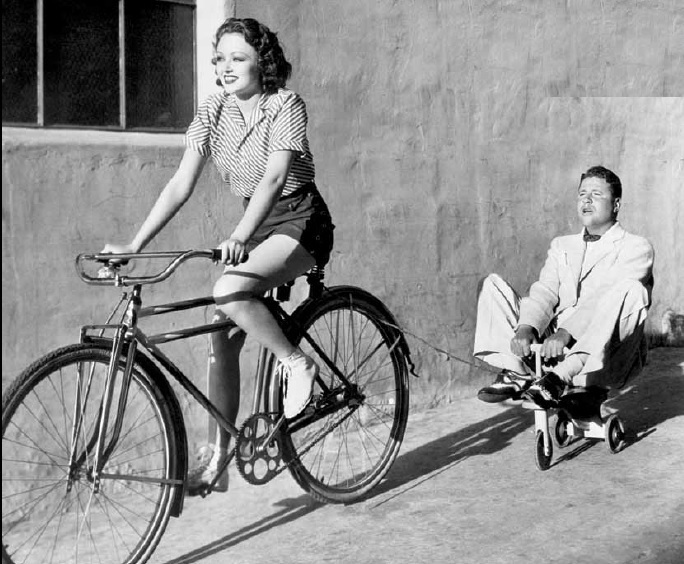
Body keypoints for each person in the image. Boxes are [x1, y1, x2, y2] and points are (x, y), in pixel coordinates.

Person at [102, 17, 334, 495]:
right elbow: (180, 185)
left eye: (238, 58)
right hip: (256, 223)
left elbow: (274, 179)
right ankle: (218, 457)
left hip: (300, 219)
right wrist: (134, 245)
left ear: (262, 63)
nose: (226, 67)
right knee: (220, 338)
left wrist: (239, 235)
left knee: (228, 290)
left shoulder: (284, 105)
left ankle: (296, 363)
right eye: (220, 58)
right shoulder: (212, 110)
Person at [473, 165, 654, 406]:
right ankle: (517, 372)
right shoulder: (562, 245)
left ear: (616, 204)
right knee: (492, 285)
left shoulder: (636, 247)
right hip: (552, 348)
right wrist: (526, 327)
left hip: (605, 354)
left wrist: (566, 333)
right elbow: (545, 290)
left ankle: (560, 378)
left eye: (596, 194)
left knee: (632, 290)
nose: (586, 200)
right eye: (582, 194)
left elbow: (603, 297)